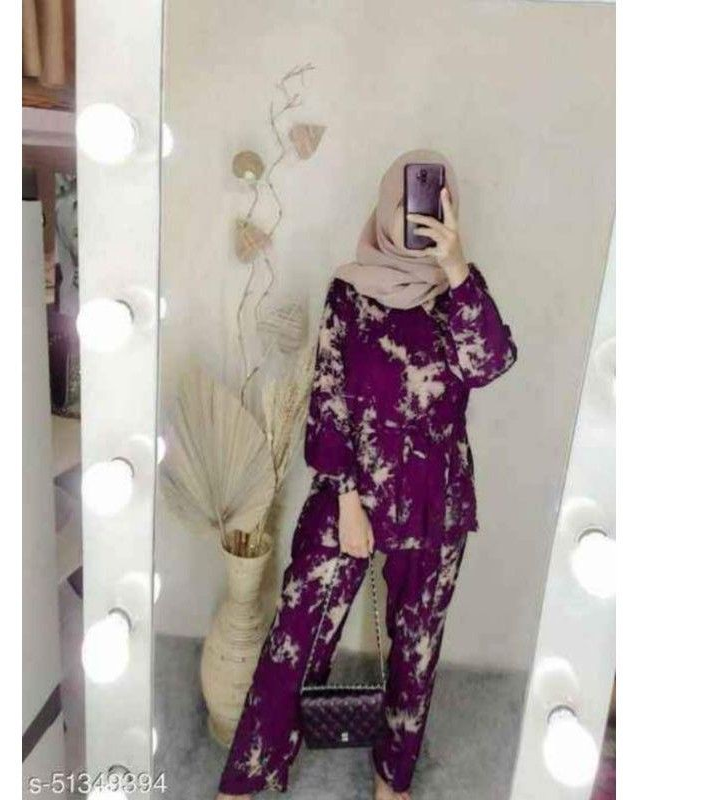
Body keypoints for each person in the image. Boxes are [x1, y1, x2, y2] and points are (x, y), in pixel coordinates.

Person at [216, 149, 517, 799]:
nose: (420, 215)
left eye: (436, 201)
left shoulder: (460, 293)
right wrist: (348, 500)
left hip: (436, 498)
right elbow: (329, 399)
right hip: (351, 489)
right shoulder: (349, 292)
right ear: (387, 206)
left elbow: (490, 363)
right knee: (297, 636)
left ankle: (392, 778)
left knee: (417, 647)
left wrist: (456, 268)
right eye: (410, 201)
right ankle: (249, 775)